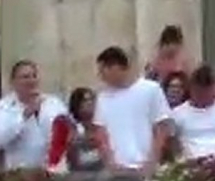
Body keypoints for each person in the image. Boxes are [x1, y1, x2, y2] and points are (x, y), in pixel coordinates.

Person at [94, 46, 171, 176]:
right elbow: (101, 133)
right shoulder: (103, 97)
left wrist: (152, 161)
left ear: (115, 67)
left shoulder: (151, 89)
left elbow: (162, 127)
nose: (101, 76)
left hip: (146, 166)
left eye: (103, 71)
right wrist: (110, 162)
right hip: (118, 170)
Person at [0, 60, 67, 171]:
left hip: (53, 172)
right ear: (13, 82)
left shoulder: (53, 103)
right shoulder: (4, 107)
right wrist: (24, 116)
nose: (31, 81)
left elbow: (65, 134)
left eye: (34, 76)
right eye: (25, 77)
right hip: (20, 173)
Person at [48, 88, 106, 173]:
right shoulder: (67, 123)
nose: (90, 103)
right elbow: (58, 146)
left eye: (92, 100)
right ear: (77, 104)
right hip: (76, 172)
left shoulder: (101, 123)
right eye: (85, 100)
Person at [171, 65, 215, 160]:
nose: (203, 98)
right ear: (191, 89)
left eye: (206, 94)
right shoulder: (178, 113)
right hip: (191, 165)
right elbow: (173, 144)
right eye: (199, 94)